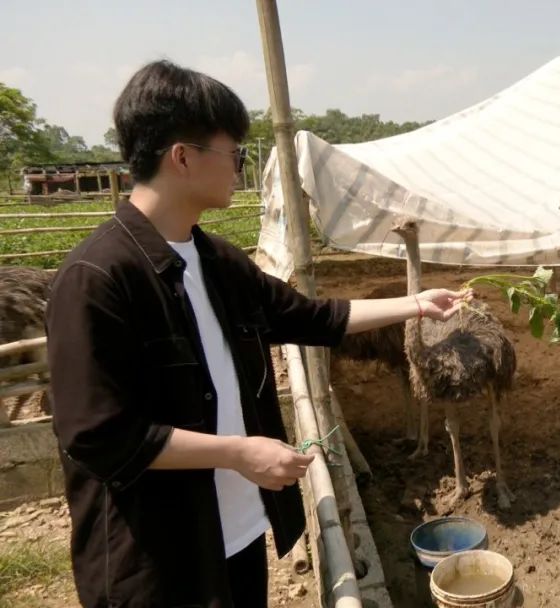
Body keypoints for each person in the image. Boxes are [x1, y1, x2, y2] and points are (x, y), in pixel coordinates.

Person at [44, 59, 470, 608]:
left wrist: (415, 304)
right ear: (182, 156)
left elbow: (309, 317)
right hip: (158, 560)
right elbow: (99, 436)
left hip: (238, 533)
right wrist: (237, 453)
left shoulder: (216, 261)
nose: (239, 167)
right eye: (233, 153)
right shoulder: (97, 280)